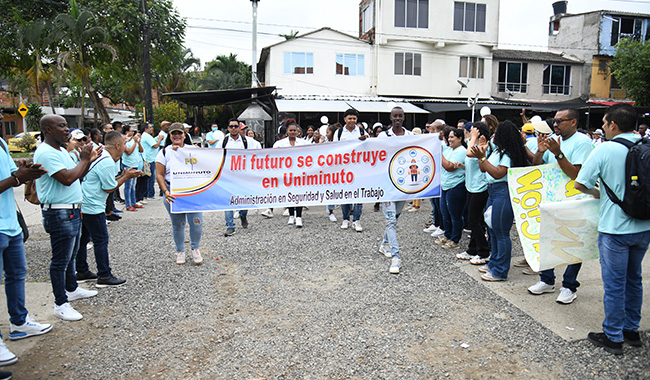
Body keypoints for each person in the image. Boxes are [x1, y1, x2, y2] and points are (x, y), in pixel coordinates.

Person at [575, 103, 650, 355]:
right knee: (634, 279)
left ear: (613, 125)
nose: (604, 128)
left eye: (605, 124)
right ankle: (632, 330)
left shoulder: (605, 149)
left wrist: (600, 193)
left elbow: (581, 183)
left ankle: (613, 336)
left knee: (615, 284)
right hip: (644, 225)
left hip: (615, 228)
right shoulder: (646, 146)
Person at [34, 114, 101, 321]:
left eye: (67, 126)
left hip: (71, 209)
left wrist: (88, 161)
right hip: (58, 211)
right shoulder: (45, 153)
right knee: (60, 260)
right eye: (61, 126)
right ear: (48, 130)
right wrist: (83, 159)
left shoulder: (62, 150)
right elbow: (67, 178)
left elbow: (78, 175)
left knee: (71, 255)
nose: (67, 130)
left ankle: (71, 288)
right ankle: (60, 302)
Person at [527, 108, 594, 303]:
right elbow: (537, 167)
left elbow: (576, 175)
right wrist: (540, 151)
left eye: (560, 121)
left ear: (573, 122)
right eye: (554, 121)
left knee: (573, 242)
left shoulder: (583, 142)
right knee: (546, 238)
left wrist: (558, 154)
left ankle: (569, 286)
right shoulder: (555, 141)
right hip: (552, 199)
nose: (555, 124)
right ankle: (547, 280)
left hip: (574, 202)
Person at [0, 138, 52, 367]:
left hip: (10, 224)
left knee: (17, 274)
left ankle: (19, 322)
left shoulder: (1, 142)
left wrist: (25, 173)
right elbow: (11, 179)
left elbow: (12, 174)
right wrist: (16, 178)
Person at [76, 131, 142, 286]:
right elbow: (108, 187)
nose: (125, 147)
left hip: (85, 203)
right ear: (118, 145)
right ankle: (104, 275)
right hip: (92, 206)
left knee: (84, 238)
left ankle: (81, 270)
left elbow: (108, 183)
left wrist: (123, 176)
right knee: (100, 240)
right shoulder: (106, 161)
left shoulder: (103, 157)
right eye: (124, 144)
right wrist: (125, 177)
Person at [471, 120, 528, 282]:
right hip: (493, 192)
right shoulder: (497, 152)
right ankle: (494, 262)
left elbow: (498, 173)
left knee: (501, 233)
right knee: (493, 230)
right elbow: (484, 168)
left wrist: (482, 158)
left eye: (497, 133)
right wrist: (482, 155)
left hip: (502, 192)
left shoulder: (508, 155)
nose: (493, 135)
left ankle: (500, 271)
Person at [155, 123, 204, 265]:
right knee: (178, 223)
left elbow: (205, 165)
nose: (177, 136)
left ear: (184, 135)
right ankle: (180, 251)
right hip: (172, 192)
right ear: (169, 136)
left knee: (196, 222)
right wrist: (165, 191)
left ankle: (195, 248)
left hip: (192, 192)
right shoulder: (164, 152)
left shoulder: (193, 149)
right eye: (173, 134)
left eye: (179, 133)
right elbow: (159, 174)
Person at [377, 107, 413, 274]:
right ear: (390, 118)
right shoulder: (383, 136)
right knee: (390, 221)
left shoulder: (411, 135)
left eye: (400, 116)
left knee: (395, 217)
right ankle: (396, 257)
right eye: (395, 116)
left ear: (403, 118)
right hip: (387, 185)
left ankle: (384, 243)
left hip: (403, 184)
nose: (397, 118)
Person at [217, 118, 260, 236]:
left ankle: (243, 215)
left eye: (236, 126)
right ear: (228, 128)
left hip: (243, 177)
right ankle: (230, 226)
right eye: (231, 126)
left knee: (243, 201)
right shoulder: (223, 142)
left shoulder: (247, 141)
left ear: (239, 128)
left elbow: (258, 151)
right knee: (228, 202)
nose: (234, 128)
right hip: (228, 176)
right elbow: (215, 156)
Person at [456, 122, 490, 265]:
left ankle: (483, 252)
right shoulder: (471, 143)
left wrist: (475, 136)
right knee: (475, 220)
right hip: (471, 187)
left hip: (480, 188)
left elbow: (470, 153)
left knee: (473, 221)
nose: (468, 133)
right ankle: (472, 249)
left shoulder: (482, 145)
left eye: (470, 131)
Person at [334, 109, 367, 232]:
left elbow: (368, 149)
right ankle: (345, 219)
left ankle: (356, 220)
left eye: (354, 118)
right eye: (350, 118)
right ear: (345, 119)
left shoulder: (362, 131)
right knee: (345, 194)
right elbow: (334, 148)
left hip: (359, 168)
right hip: (344, 168)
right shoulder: (339, 132)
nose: (352, 121)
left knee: (359, 194)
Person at [273, 121, 309, 227]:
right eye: (291, 130)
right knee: (289, 194)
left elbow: (313, 152)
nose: (293, 132)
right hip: (286, 173)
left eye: (295, 130)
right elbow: (273, 155)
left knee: (299, 194)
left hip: (300, 173)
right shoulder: (280, 144)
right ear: (287, 131)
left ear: (298, 131)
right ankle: (291, 215)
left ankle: (299, 216)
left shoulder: (304, 142)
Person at [436, 128, 467, 250]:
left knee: (455, 215)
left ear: (460, 139)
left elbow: (449, 167)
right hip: (446, 185)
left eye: (452, 137)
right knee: (445, 212)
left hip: (456, 186)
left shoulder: (461, 151)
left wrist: (440, 154)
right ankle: (447, 235)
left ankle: (455, 239)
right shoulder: (449, 149)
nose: (449, 140)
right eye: (448, 137)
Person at [423, 120, 446, 237]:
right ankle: (436, 223)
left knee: (440, 203)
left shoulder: (444, 143)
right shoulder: (432, 141)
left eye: (432, 129)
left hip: (441, 177)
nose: (429, 131)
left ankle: (442, 226)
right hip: (432, 176)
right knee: (434, 203)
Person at [121, 125, 143, 211]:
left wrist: (138, 142)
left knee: (133, 185)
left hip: (135, 164)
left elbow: (141, 150)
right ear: (126, 132)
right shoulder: (125, 141)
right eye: (131, 131)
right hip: (128, 165)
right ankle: (128, 204)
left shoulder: (135, 141)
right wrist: (135, 142)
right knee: (128, 186)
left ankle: (133, 202)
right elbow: (129, 152)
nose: (133, 132)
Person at [139, 122, 163, 200]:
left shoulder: (146, 136)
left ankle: (147, 193)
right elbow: (155, 145)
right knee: (151, 178)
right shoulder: (147, 136)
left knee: (148, 177)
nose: (152, 128)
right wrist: (159, 140)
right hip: (150, 158)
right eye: (150, 127)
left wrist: (156, 138)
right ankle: (150, 194)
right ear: (146, 129)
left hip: (149, 157)